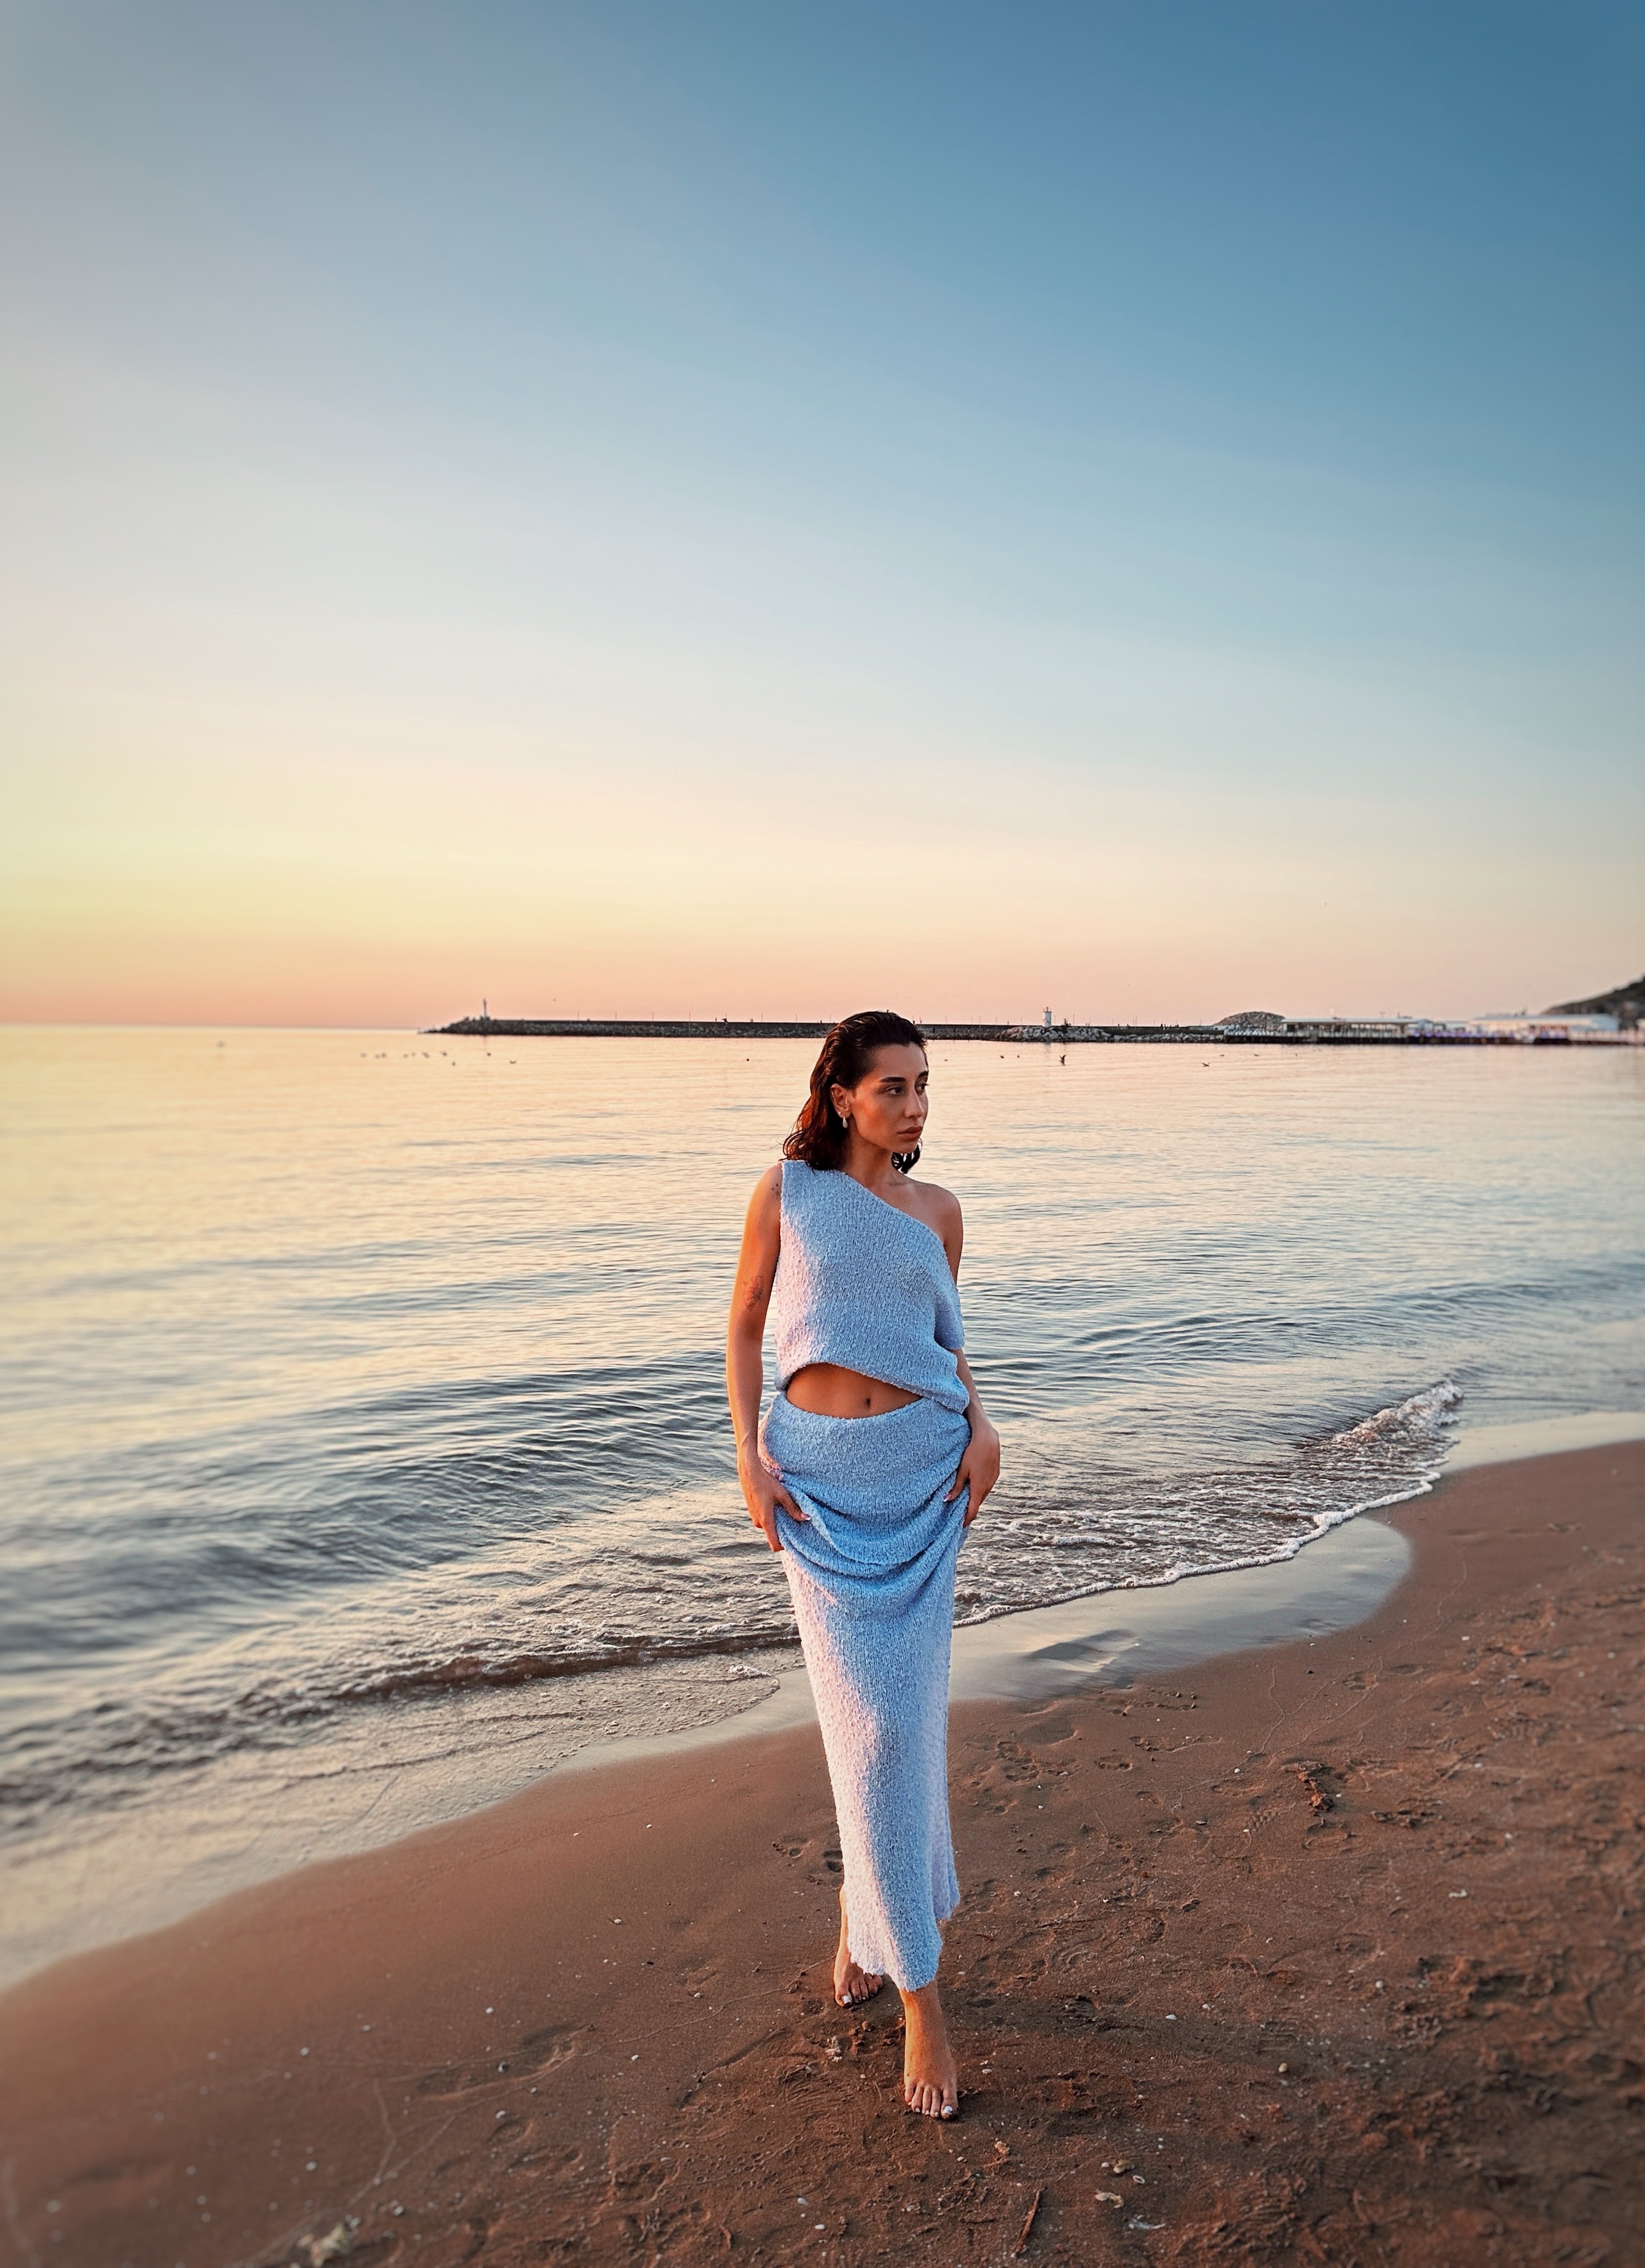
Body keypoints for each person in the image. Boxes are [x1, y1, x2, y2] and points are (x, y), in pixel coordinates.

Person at [726, 1010, 1001, 2118]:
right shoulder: (788, 1193)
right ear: (840, 1093)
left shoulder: (939, 1212)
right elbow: (745, 1323)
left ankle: (906, 1973)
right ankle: (908, 1970)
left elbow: (947, 1338)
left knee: (901, 1724)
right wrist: (748, 1455)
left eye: (925, 1085)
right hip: (824, 1492)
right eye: (892, 1086)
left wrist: (984, 1422)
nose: (915, 1105)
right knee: (871, 1728)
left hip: (927, 1475)